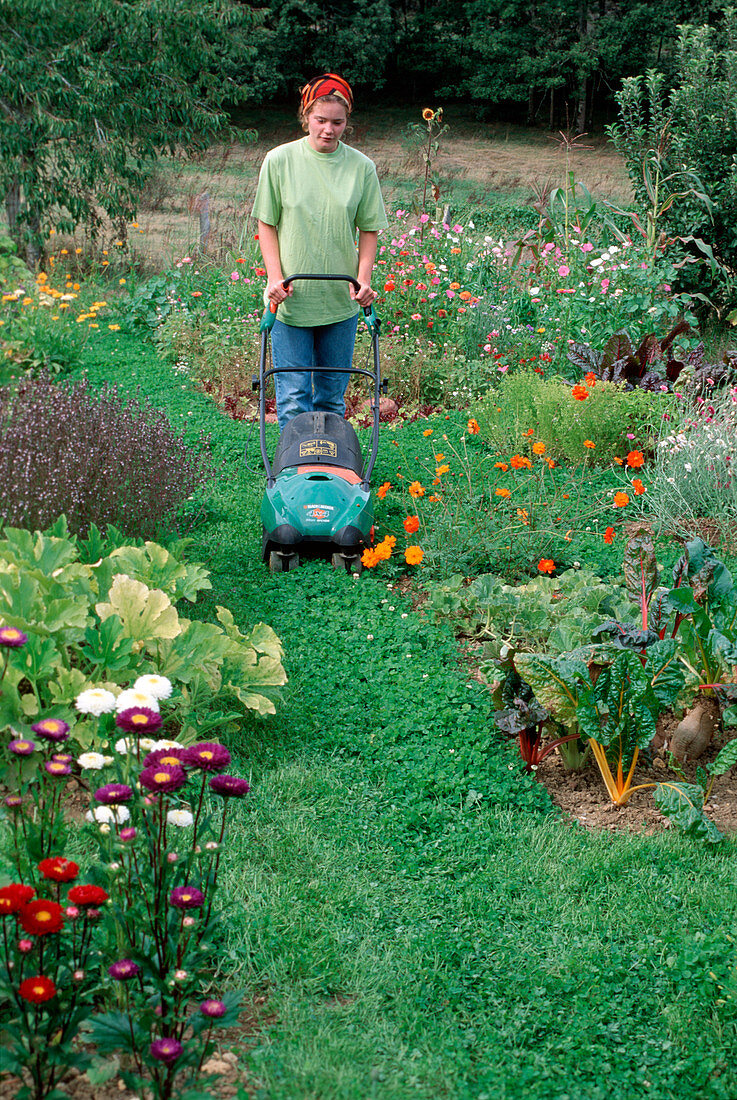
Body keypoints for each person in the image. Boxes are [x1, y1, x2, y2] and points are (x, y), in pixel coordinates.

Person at [251, 73, 388, 430]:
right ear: (306, 116)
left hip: (339, 301)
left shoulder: (361, 168)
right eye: (321, 120)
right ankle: (291, 473)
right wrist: (274, 278)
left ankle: (329, 470)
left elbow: (369, 228)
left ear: (347, 122)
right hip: (291, 299)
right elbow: (266, 223)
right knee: (293, 395)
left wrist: (363, 280)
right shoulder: (279, 161)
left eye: (337, 122)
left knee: (330, 396)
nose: (329, 129)